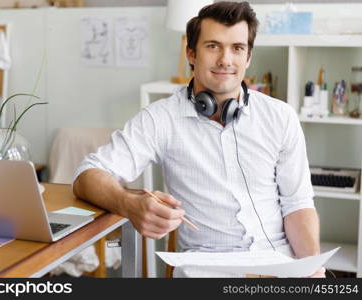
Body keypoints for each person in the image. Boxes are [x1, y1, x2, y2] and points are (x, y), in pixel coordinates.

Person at [73, 1, 324, 278]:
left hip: (280, 264)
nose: (226, 60)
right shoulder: (160, 119)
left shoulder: (281, 117)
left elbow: (297, 204)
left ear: (248, 57)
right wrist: (128, 204)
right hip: (208, 270)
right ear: (191, 53)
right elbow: (87, 175)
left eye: (237, 48)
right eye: (213, 46)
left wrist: (310, 265)